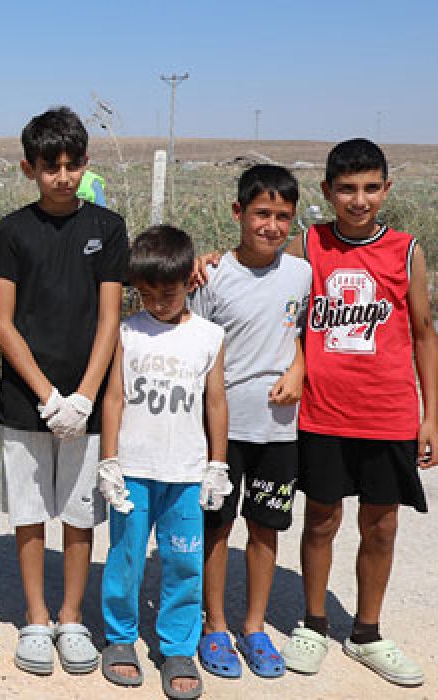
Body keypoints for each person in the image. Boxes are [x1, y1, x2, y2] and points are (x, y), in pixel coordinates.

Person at [277, 139, 435, 687]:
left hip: (388, 412)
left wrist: (430, 414)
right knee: (321, 517)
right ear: (327, 192)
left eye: (370, 188)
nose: (359, 199)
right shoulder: (307, 245)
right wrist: (206, 263)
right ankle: (314, 622)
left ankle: (366, 632)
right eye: (346, 188)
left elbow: (422, 334)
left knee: (382, 524)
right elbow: (272, 300)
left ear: (386, 190)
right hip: (321, 411)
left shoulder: (406, 249)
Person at [0, 106, 128, 676]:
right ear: (29, 168)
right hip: (25, 402)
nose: (62, 177)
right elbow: (2, 321)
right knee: (29, 511)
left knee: (78, 512)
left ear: (85, 164)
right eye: (50, 167)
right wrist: (47, 397)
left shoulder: (108, 229)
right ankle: (37, 619)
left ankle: (71, 617)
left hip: (86, 403)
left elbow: (110, 320)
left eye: (71, 165)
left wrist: (85, 398)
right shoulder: (12, 232)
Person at [188, 164, 310, 680]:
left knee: (267, 527)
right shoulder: (211, 275)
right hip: (221, 430)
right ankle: (214, 625)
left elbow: (301, 336)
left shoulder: (301, 274)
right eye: (262, 213)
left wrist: (299, 369)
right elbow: (195, 346)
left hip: (279, 429)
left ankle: (254, 627)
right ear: (238, 213)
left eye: (283, 216)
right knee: (216, 526)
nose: (272, 226)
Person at [98, 225, 228, 699]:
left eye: (168, 292)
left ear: (189, 282)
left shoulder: (210, 337)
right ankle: (119, 637)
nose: (157, 302)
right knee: (126, 559)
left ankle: (177, 646)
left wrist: (218, 464)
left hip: (186, 476)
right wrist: (109, 461)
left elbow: (216, 404)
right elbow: (114, 398)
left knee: (183, 561)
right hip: (133, 470)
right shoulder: (127, 333)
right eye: (146, 293)